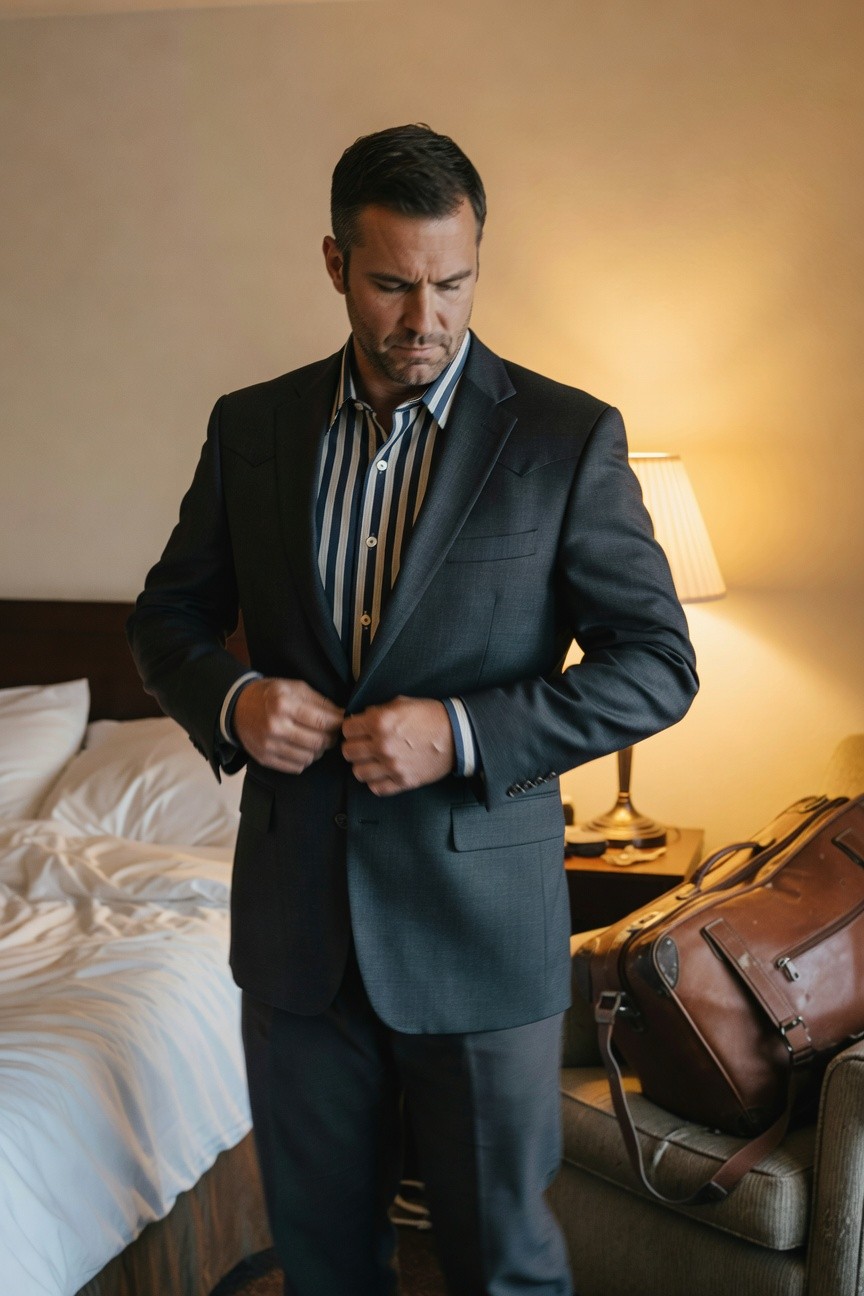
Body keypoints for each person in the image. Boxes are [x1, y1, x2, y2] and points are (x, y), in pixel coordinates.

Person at [128, 123, 698, 1296]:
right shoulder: (254, 430)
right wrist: (231, 702)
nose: (425, 317)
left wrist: (464, 732)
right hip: (297, 942)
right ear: (336, 265)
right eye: (393, 284)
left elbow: (657, 663)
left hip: (481, 942)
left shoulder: (565, 438)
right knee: (327, 1268)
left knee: (505, 1267)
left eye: (453, 281)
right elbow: (165, 619)